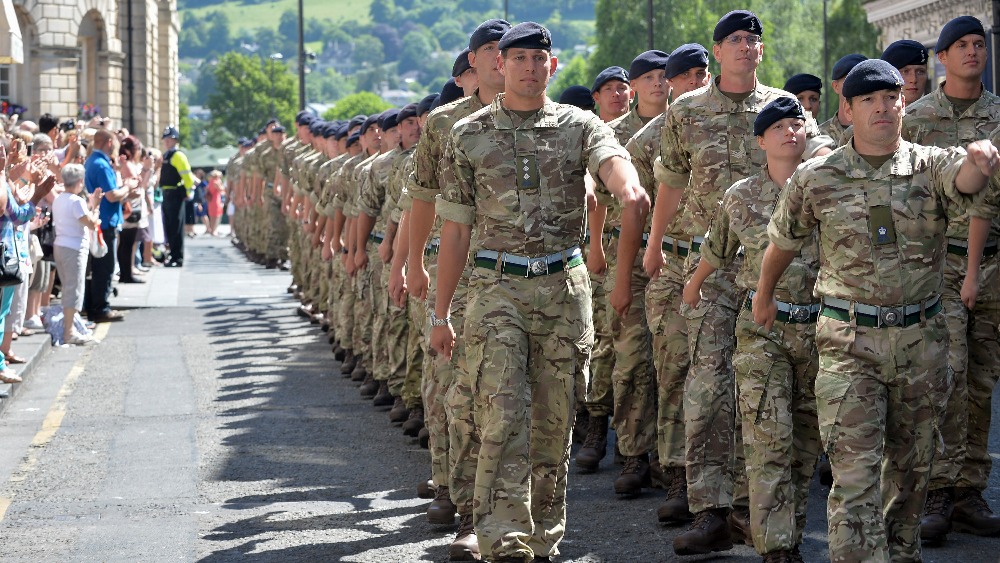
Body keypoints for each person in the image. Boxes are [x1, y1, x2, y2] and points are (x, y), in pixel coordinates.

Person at [758, 58, 999, 562]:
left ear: (904, 105)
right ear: (846, 109)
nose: (882, 107)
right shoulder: (817, 176)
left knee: (910, 478)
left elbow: (967, 182)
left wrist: (980, 160)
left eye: (891, 98)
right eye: (868, 99)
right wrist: (764, 292)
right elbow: (782, 240)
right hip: (848, 345)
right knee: (853, 479)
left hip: (920, 343)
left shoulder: (930, 164)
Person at [430, 22, 649, 563]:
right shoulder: (469, 135)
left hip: (562, 287)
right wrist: (440, 313)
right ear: (499, 65)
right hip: (496, 286)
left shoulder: (579, 124)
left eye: (539, 58)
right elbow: (455, 230)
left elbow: (611, 157)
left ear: (553, 66)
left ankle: (542, 538)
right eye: (519, 57)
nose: (529, 66)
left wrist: (627, 185)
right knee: (503, 411)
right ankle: (503, 541)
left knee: (554, 421)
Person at [684, 97, 821, 562]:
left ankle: (789, 532)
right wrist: (694, 285)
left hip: (820, 330)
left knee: (805, 444)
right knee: (769, 437)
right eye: (778, 127)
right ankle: (777, 548)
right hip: (763, 330)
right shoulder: (741, 195)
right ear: (761, 140)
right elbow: (716, 247)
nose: (789, 133)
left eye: (796, 124)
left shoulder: (826, 187)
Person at [406, 18, 511, 561]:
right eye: (490, 51)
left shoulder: (541, 120)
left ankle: (511, 516)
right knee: (462, 393)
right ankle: (462, 499)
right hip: (462, 277)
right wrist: (414, 265)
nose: (500, 59)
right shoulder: (445, 125)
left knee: (513, 403)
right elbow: (420, 198)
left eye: (506, 49)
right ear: (474, 62)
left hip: (518, 280)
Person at [902, 15, 1000, 542]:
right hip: (938, 264)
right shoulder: (916, 119)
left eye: (978, 44)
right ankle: (937, 487)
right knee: (947, 374)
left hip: (994, 264)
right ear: (941, 56)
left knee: (981, 379)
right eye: (960, 45)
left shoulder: (999, 116)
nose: (971, 52)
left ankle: (968, 491)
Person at [634, 41, 712, 525]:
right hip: (673, 265)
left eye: (699, 73)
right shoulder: (649, 138)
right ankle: (679, 474)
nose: (689, 83)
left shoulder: (747, 120)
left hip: (731, 265)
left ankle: (728, 486)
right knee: (675, 373)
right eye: (682, 76)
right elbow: (630, 208)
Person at [84, 129, 140, 322]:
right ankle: (101, 308)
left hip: (101, 219)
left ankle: (94, 306)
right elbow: (111, 195)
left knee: (99, 266)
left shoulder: (92, 161)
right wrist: (128, 187)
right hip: (105, 221)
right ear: (108, 142)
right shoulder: (101, 164)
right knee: (105, 267)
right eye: (115, 142)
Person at [52, 163, 100, 345]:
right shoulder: (76, 201)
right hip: (73, 248)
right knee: (74, 289)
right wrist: (95, 207)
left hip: (61, 245)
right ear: (80, 181)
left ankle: (72, 327)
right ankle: (69, 332)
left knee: (68, 287)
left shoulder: (59, 199)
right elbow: (91, 223)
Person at [159, 126, 196, 267]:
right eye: (165, 139)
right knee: (170, 226)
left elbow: (187, 175)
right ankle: (173, 255)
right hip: (167, 194)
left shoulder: (178, 156)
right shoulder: (167, 155)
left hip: (175, 193)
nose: (167, 141)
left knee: (176, 227)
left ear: (175, 140)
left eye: (170, 139)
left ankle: (177, 258)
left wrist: (188, 192)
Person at [819, 54, 867, 146]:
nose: (857, 86)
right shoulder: (820, 136)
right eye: (849, 80)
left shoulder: (880, 131)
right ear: (836, 86)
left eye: (863, 80)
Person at [881, 39, 929, 105]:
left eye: (920, 72)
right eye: (905, 71)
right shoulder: (871, 113)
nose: (913, 79)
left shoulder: (939, 113)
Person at [205, 170, 225, 236]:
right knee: (216, 216)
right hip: (216, 200)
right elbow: (221, 189)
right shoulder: (216, 182)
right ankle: (214, 230)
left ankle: (212, 229)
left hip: (211, 201)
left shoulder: (210, 182)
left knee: (212, 215)